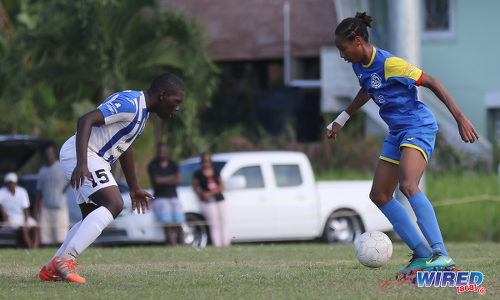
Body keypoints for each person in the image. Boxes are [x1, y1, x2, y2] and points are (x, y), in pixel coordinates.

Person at [327, 13, 479, 277]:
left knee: (408, 185)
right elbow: (368, 89)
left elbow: (432, 82)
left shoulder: (390, 63)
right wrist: (343, 117)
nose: (341, 54)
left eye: (343, 48)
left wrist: (460, 118)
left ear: (358, 41)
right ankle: (421, 253)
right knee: (380, 195)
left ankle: (441, 254)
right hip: (397, 131)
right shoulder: (358, 65)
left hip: (418, 126)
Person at [39, 73, 185, 283]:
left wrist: (134, 187)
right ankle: (66, 259)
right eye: (176, 101)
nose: (178, 107)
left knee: (90, 215)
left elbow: (126, 148)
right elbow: (86, 120)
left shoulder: (142, 114)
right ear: (163, 95)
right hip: (83, 152)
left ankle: (52, 267)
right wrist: (82, 163)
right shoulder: (131, 103)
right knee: (114, 203)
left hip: (89, 155)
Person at [148, 143, 185, 246]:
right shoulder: (153, 164)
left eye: (164, 151)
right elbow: (156, 181)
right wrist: (171, 178)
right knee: (167, 223)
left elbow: (179, 180)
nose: (162, 154)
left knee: (178, 221)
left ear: (167, 151)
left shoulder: (173, 163)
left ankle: (183, 244)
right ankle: (173, 245)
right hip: (160, 198)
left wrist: (164, 179)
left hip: (173, 197)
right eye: (160, 152)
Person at [35, 144, 70, 247]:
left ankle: (60, 256)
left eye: (50, 153)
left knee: (61, 237)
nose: (48, 155)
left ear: (54, 154)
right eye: (47, 154)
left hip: (60, 207)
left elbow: (72, 176)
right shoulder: (42, 171)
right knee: (47, 238)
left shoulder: (61, 167)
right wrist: (36, 209)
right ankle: (51, 257)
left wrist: (65, 187)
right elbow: (39, 191)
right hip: (46, 207)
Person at [192, 153, 230, 247]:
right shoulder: (198, 173)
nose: (206, 163)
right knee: (214, 224)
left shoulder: (216, 171)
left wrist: (211, 193)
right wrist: (203, 194)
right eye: (204, 161)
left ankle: (226, 243)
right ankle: (217, 244)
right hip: (208, 202)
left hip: (219, 199)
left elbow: (221, 185)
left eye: (208, 161)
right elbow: (195, 187)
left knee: (223, 222)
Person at [0, 172, 40, 249]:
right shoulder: (2, 192)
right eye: (9, 183)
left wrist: (26, 221)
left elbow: (26, 209)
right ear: (7, 183)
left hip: (22, 217)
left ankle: (35, 249)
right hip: (11, 218)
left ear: (16, 183)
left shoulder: (22, 192)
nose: (11, 185)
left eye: (13, 183)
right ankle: (30, 247)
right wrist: (3, 212)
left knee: (36, 228)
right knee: (23, 228)